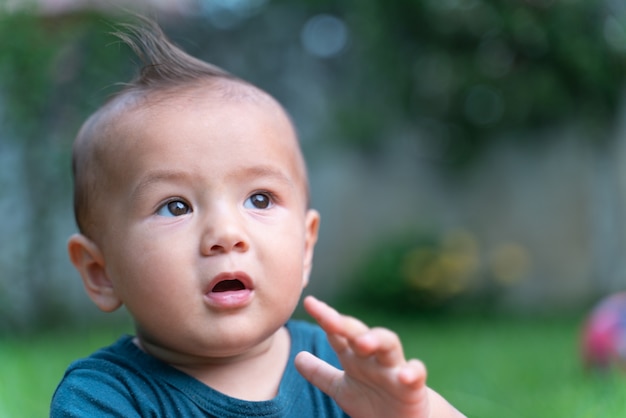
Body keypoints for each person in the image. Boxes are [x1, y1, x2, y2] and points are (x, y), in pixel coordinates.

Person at [51, 18, 465, 418]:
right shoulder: (104, 398)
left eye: (260, 199)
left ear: (305, 247)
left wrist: (412, 413)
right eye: (175, 206)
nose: (226, 234)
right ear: (100, 271)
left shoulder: (341, 365)